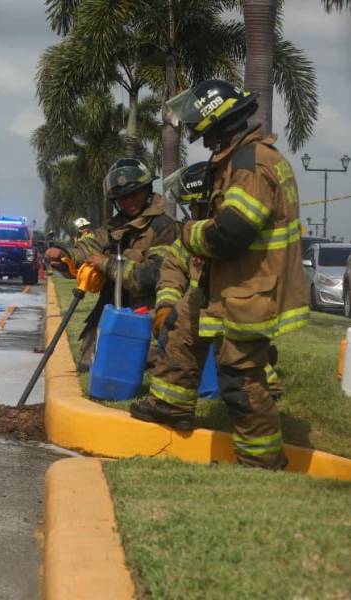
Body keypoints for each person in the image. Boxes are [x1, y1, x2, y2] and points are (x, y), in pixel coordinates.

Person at [134, 80, 308, 470]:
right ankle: (170, 405)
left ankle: (261, 462)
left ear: (221, 126)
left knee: (239, 379)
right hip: (231, 283)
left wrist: (190, 233)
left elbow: (232, 230)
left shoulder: (252, 163)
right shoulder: (240, 159)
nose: (205, 142)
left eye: (206, 133)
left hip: (253, 289)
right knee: (181, 321)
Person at [45, 158, 179, 370]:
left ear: (147, 190)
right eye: (122, 198)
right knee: (89, 364)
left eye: (135, 194)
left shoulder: (164, 227)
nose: (129, 201)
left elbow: (152, 277)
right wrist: (63, 256)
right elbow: (87, 247)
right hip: (112, 307)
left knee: (135, 360)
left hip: (147, 310)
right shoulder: (114, 226)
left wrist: (107, 264)